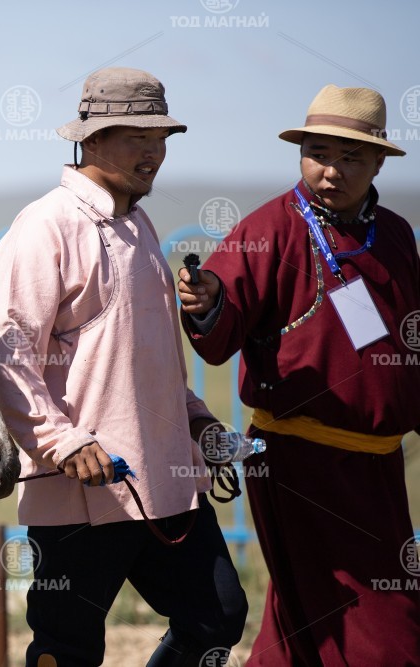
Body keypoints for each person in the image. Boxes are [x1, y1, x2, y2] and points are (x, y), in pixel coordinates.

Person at [0, 67, 247, 667]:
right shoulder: (46, 224)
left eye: (161, 139)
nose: (154, 153)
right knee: (67, 650)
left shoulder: (138, 224)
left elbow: (150, 361)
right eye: (137, 138)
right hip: (81, 488)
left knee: (217, 617)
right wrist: (61, 441)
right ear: (93, 140)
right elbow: (3, 351)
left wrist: (197, 420)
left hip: (165, 479)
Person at [178, 84, 420, 666]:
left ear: (379, 162)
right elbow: (223, 319)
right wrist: (208, 302)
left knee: (306, 626)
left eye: (351, 157)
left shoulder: (394, 235)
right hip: (303, 463)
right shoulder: (271, 229)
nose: (331, 171)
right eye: (318, 154)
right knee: (384, 631)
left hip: (379, 465)